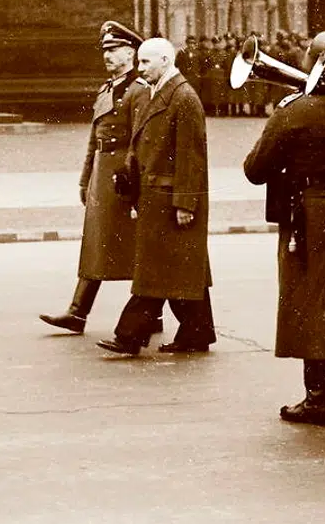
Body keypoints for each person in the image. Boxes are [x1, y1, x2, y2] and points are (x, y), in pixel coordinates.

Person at [244, 32, 325, 425]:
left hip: (308, 214)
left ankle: (316, 396)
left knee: (311, 302)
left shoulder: (293, 111)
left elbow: (255, 170)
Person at [96, 37, 215, 357]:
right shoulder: (162, 93)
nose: (140, 68)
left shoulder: (183, 97)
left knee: (156, 271)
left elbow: (192, 157)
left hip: (169, 198)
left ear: (165, 60)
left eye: (146, 62)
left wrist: (185, 203)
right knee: (182, 267)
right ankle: (197, 331)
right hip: (156, 195)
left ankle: (129, 335)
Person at [41, 21, 150, 335]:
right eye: (105, 51)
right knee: (97, 244)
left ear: (131, 52)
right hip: (104, 173)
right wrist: (85, 177)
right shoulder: (108, 88)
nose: (108, 57)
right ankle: (77, 312)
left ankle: (147, 315)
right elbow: (94, 136)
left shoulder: (139, 90)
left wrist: (133, 180)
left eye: (114, 50)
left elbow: (141, 139)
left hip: (124, 175)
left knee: (137, 247)